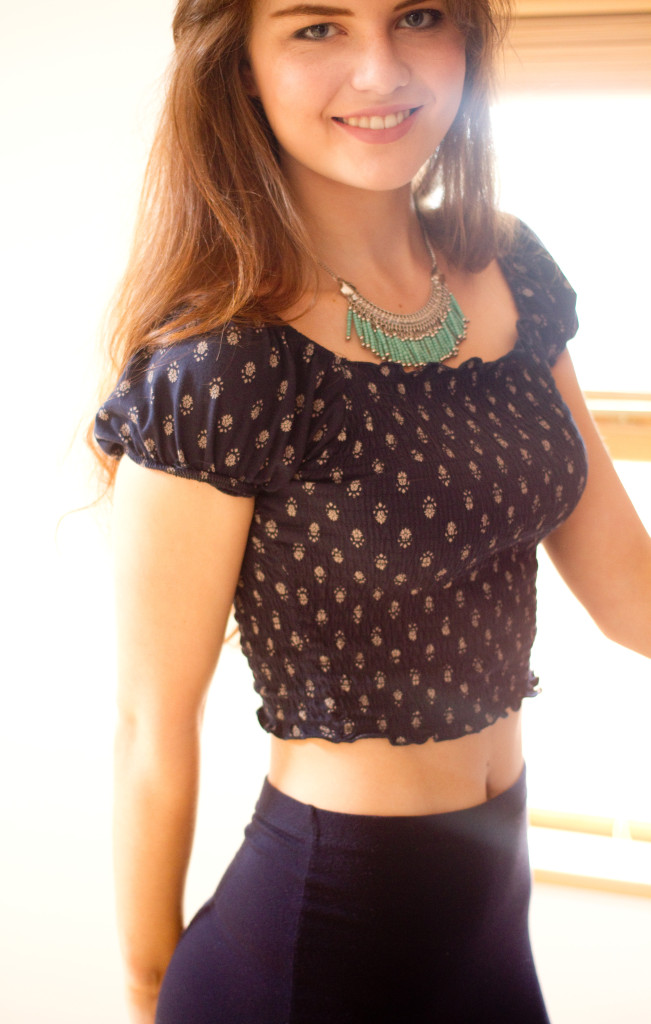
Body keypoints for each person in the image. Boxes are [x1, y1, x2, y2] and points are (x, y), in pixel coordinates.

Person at [92, 1, 651, 1021]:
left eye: (416, 16)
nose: (381, 70)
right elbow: (149, 724)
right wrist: (144, 992)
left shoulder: (511, 271)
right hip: (318, 940)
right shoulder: (224, 364)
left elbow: (631, 594)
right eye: (317, 27)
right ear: (242, 65)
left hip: (491, 914)